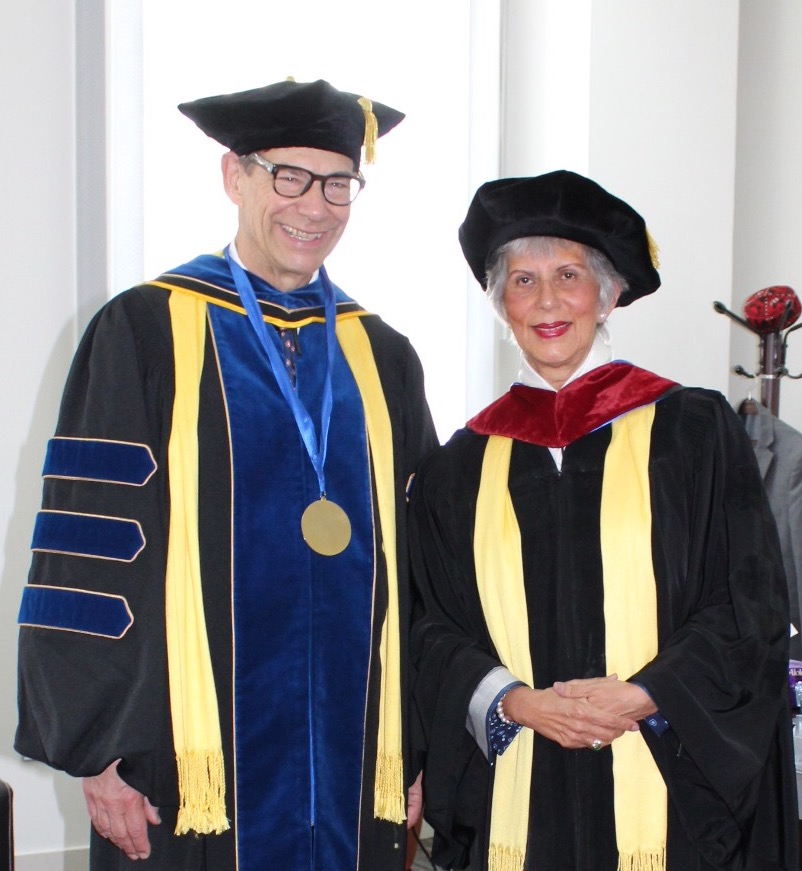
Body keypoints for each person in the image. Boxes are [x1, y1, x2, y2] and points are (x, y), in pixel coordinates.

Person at [15, 77, 437, 870]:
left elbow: (421, 569)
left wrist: (417, 742)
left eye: (337, 183)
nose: (314, 206)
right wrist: (98, 752)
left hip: (351, 755)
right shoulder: (145, 331)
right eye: (289, 176)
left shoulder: (382, 356)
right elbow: (87, 551)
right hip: (182, 759)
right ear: (233, 176)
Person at [408, 170, 798, 871]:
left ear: (609, 292)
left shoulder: (694, 432)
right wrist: (514, 702)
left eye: (568, 275)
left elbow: (748, 602)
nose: (547, 300)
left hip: (669, 783)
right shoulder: (457, 468)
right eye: (522, 281)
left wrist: (648, 694)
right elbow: (431, 625)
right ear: (501, 305)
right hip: (519, 784)